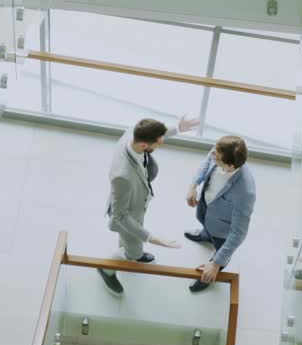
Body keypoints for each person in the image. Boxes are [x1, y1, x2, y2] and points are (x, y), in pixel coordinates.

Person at [98, 117, 199, 296]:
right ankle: (106, 270)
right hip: (127, 215)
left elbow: (155, 135)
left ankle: (126, 245)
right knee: (133, 252)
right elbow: (120, 216)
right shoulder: (123, 176)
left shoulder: (133, 132)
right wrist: (153, 239)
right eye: (158, 143)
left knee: (127, 240)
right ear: (144, 146)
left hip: (133, 201)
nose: (161, 143)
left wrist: (178, 128)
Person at [184, 136, 256, 293]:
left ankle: (211, 270)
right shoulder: (219, 150)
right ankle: (205, 235)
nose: (212, 155)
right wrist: (193, 185)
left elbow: (238, 233)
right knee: (203, 221)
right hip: (206, 207)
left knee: (220, 247)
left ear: (230, 166)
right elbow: (206, 164)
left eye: (216, 158)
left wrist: (216, 263)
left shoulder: (245, 192)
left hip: (222, 230)